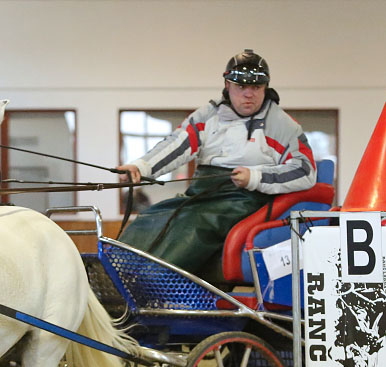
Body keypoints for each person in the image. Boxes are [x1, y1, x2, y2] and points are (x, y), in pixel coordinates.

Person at [116, 49, 316, 277]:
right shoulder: (208, 116)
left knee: (193, 224)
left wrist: (255, 177)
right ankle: (119, 273)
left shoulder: (282, 125)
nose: (249, 94)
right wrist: (141, 167)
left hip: (247, 200)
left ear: (266, 87)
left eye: (256, 87)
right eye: (241, 87)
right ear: (227, 85)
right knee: (155, 215)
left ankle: (156, 282)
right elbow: (178, 144)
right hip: (202, 193)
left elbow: (305, 170)